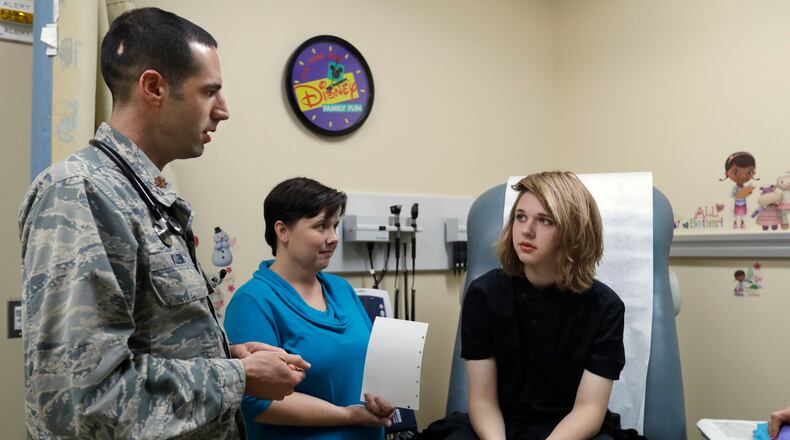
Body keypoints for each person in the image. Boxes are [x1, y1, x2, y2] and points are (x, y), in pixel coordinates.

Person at [18, 8, 307, 438]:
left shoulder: (145, 196)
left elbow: (147, 339)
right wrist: (238, 378)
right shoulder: (82, 193)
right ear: (153, 87)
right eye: (209, 92)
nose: (223, 111)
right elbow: (82, 401)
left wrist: (227, 356)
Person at [458, 171, 627, 439]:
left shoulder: (605, 308)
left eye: (545, 221)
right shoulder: (483, 295)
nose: (526, 230)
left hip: (571, 431)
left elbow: (589, 409)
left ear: (574, 233)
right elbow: (482, 401)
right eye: (520, 216)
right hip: (497, 427)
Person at [224, 177, 395, 439]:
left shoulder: (342, 290)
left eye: (335, 226)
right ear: (283, 231)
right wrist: (348, 416)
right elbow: (258, 402)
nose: (334, 238)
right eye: (321, 227)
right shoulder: (253, 301)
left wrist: (383, 401)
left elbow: (370, 367)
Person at [722, 151, 757, 229]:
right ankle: (735, 223)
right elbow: (732, 195)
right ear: (727, 173)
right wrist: (738, 195)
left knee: (742, 214)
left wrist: (747, 192)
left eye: (749, 172)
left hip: (743, 203)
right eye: (736, 172)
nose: (743, 176)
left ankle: (742, 223)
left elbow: (746, 194)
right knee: (735, 214)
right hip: (736, 204)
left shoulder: (745, 187)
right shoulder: (735, 188)